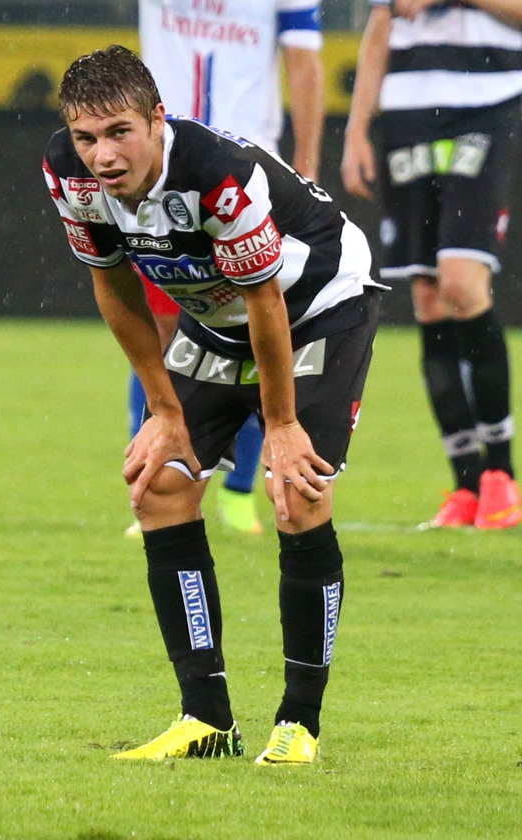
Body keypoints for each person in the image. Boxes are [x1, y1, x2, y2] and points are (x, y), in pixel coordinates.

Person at [42, 45, 383, 764]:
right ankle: (206, 719)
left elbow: (266, 299)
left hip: (316, 305)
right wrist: (164, 411)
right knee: (159, 489)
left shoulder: (213, 176)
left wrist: (281, 424)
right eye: (86, 136)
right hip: (218, 316)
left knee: (298, 493)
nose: (100, 155)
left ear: (156, 120)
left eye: (118, 133)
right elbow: (113, 286)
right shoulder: (69, 174)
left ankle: (298, 724)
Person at [124, 0, 325, 538]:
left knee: (257, 325)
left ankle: (241, 493)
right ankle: (154, 477)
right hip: (158, 172)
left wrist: (306, 166)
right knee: (165, 332)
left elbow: (303, 62)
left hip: (247, 173)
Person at [341, 0, 522, 530]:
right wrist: (357, 129)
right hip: (407, 116)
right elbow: (381, 24)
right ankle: (466, 484)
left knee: (463, 285)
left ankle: (501, 475)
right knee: (428, 298)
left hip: (488, 105)